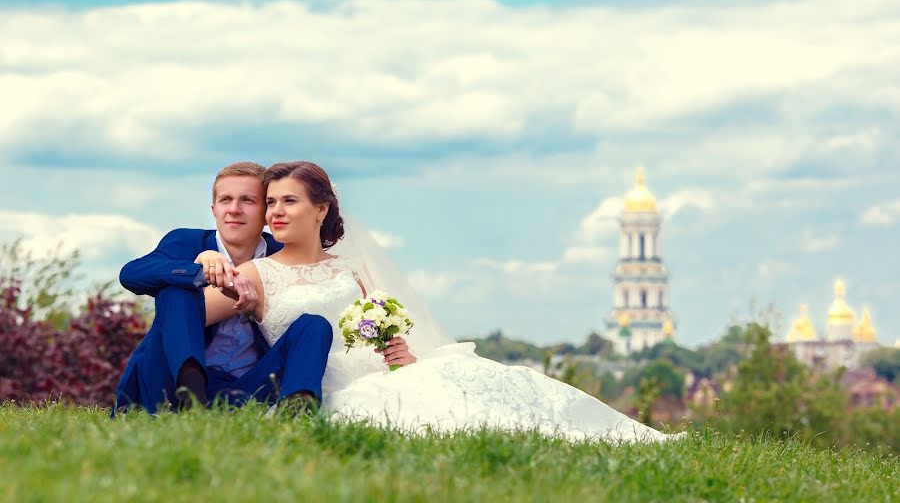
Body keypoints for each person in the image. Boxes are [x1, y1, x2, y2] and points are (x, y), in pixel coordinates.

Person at [205, 161, 678, 442]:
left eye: (289, 201)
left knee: (479, 382)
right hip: (321, 384)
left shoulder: (351, 269)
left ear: (321, 208)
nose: (275, 213)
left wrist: (399, 352)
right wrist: (205, 262)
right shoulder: (254, 274)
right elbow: (191, 312)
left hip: (381, 370)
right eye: (270, 203)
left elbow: (376, 327)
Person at [114, 161, 332, 414]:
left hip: (245, 389)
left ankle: (298, 409)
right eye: (226, 200)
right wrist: (199, 270)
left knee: (314, 324)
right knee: (177, 291)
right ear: (214, 209)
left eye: (248, 201)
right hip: (168, 383)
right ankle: (192, 401)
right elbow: (130, 274)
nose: (234, 210)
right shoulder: (187, 241)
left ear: (265, 211)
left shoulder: (281, 254)